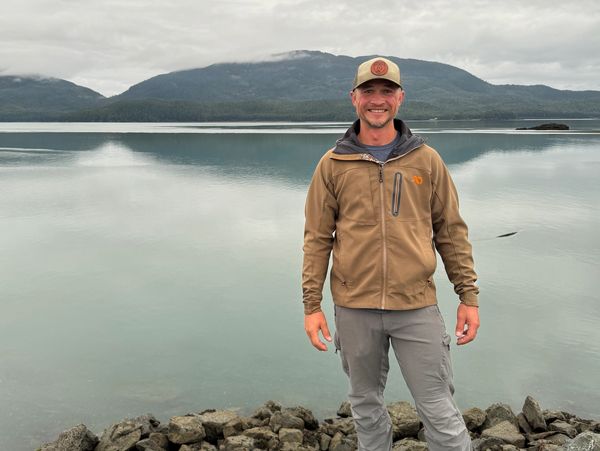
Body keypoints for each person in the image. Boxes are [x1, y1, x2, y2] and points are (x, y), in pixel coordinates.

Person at [301, 56, 480, 451]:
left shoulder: (427, 160)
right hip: (354, 307)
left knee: (438, 408)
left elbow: (450, 231)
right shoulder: (332, 165)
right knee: (365, 406)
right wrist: (311, 305)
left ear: (400, 99)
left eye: (386, 92)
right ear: (354, 98)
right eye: (368, 92)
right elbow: (317, 239)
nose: (376, 100)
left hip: (416, 306)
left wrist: (468, 295)